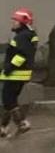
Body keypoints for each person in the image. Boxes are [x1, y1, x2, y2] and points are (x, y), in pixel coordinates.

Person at [0, 8, 37, 137]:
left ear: (22, 22)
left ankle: (22, 123)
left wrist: (9, 68)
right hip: (19, 74)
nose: (13, 22)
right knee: (9, 100)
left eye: (15, 20)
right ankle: (3, 128)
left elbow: (21, 55)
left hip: (15, 74)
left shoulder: (22, 36)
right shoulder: (26, 35)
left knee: (8, 99)